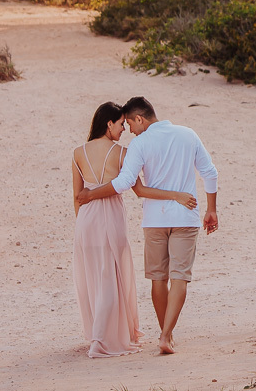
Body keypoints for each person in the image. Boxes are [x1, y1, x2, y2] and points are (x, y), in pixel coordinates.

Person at [77, 96, 218, 355]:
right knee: (179, 277)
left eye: (130, 123)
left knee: (157, 278)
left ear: (139, 119)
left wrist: (89, 195)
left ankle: (167, 334)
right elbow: (210, 173)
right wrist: (211, 209)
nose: (129, 130)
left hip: (154, 221)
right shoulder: (188, 134)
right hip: (185, 218)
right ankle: (166, 334)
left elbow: (125, 183)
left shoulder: (140, 143)